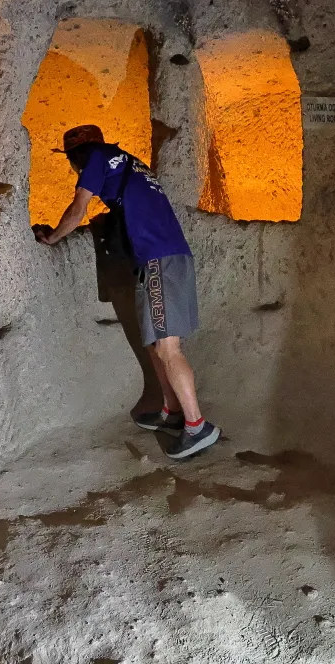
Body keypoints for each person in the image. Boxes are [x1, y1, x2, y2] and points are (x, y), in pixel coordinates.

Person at [37, 124, 220, 459]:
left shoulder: (95, 157)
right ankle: (172, 411)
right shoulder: (126, 162)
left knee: (167, 348)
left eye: (72, 161)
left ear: (77, 155)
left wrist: (52, 237)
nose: (75, 168)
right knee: (153, 345)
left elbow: (79, 208)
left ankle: (197, 426)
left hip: (159, 259)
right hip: (161, 257)